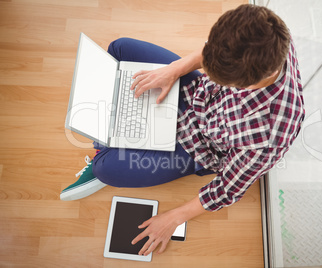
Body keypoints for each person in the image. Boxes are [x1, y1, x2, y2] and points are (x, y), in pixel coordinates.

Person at [61, 4, 304, 256]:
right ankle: (120, 127)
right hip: (196, 94)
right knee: (119, 48)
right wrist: (173, 70)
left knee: (104, 169)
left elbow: (227, 189)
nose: (207, 70)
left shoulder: (270, 136)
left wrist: (174, 218)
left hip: (196, 146)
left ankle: (115, 133)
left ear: (246, 84)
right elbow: (212, 52)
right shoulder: (269, 30)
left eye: (217, 75)